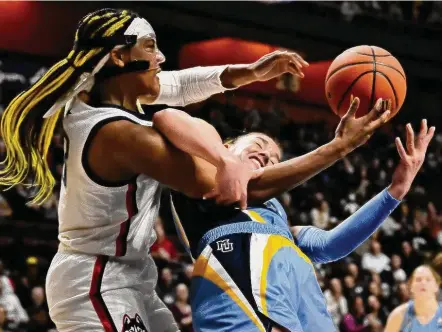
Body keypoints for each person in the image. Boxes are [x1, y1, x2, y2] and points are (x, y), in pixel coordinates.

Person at [0, 7, 317, 332]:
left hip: (130, 274)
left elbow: (180, 85)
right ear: (120, 57)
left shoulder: (100, 91)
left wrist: (251, 71)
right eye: (150, 47)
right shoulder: (123, 135)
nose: (162, 57)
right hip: (95, 280)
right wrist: (338, 147)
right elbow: (223, 184)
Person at [167, 115, 434, 331]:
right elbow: (168, 118)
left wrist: (396, 190)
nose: (267, 156)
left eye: (275, 159)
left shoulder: (277, 218)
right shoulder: (202, 176)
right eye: (258, 144)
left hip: (302, 309)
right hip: (242, 301)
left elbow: (330, 244)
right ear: (226, 146)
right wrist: (338, 146)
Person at [385, 265, 442, 332]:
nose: (423, 283)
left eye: (428, 279)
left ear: (436, 286)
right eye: (418, 280)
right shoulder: (399, 315)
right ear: (411, 287)